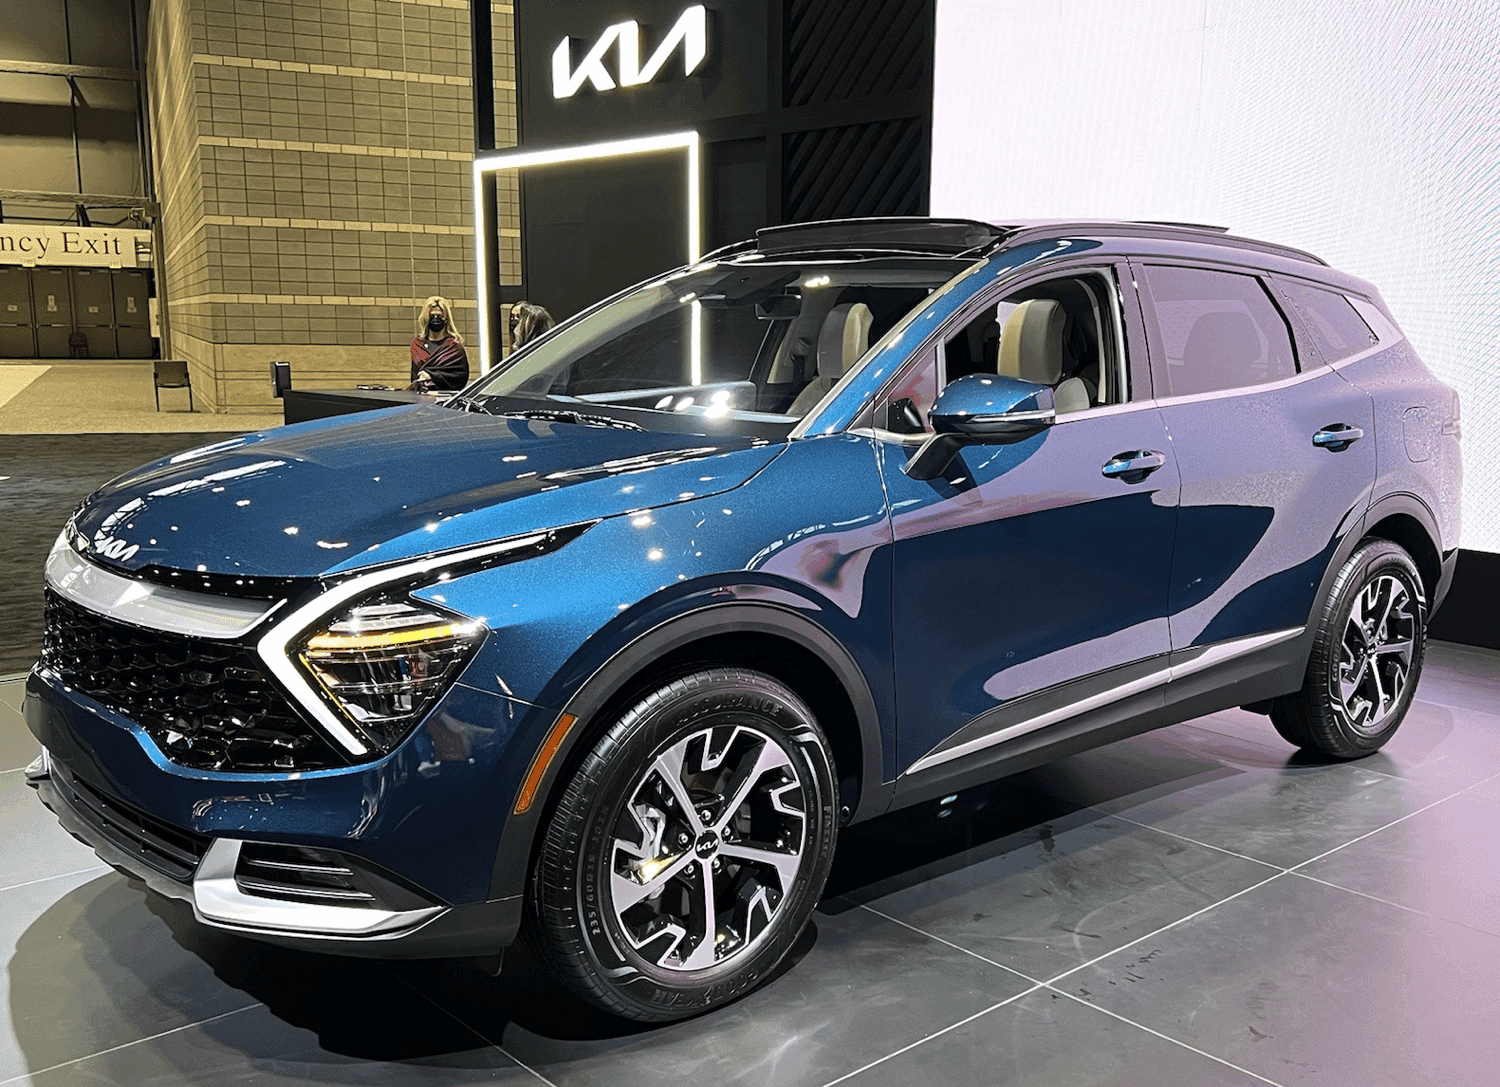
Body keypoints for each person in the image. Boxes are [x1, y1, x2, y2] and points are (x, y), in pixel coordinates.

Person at [409, 295, 469, 391]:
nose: (435, 319)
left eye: (439, 316)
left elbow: (461, 376)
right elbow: (414, 375)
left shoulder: (454, 347)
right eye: (432, 316)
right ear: (426, 318)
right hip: (422, 394)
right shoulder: (417, 345)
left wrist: (432, 375)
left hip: (446, 395)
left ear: (446, 318)